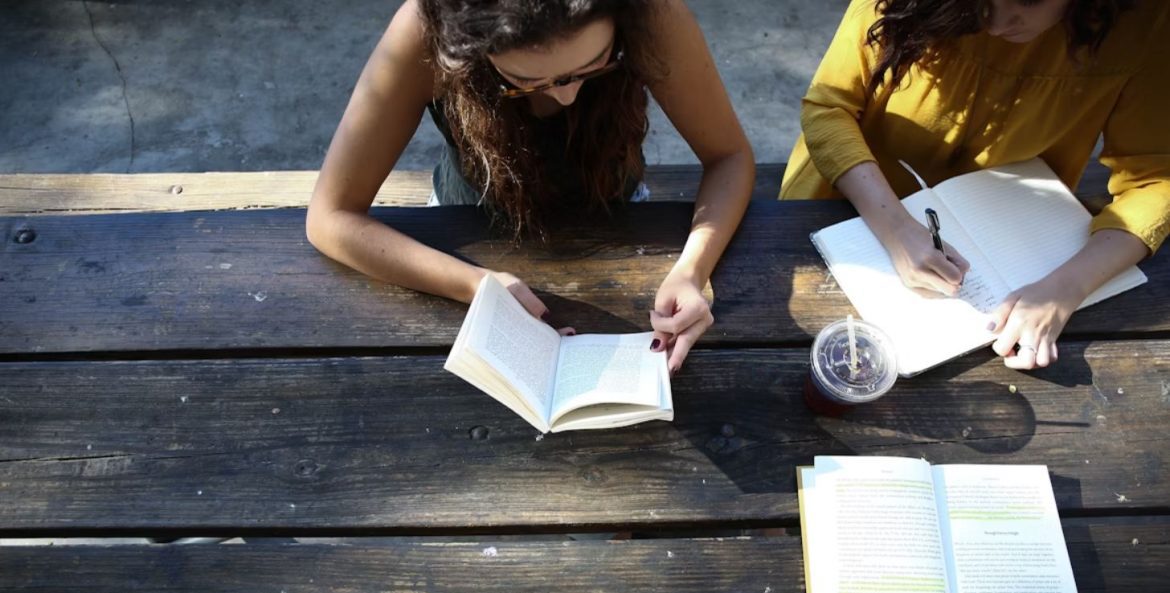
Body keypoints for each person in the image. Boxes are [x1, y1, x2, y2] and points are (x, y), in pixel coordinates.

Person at [307, 0, 754, 373]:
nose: (566, 96)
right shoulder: (425, 29)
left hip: (618, 213)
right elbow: (331, 217)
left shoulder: (650, 13)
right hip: (464, 229)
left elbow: (729, 157)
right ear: (464, 48)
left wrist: (692, 271)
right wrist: (474, 284)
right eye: (525, 82)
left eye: (593, 66)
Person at [781, 0, 1169, 370]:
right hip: (844, 199)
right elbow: (829, 108)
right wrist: (896, 228)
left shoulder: (1146, 23)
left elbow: (1156, 180)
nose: (997, 23)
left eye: (1028, 1)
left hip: (1016, 243)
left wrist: (1066, 288)